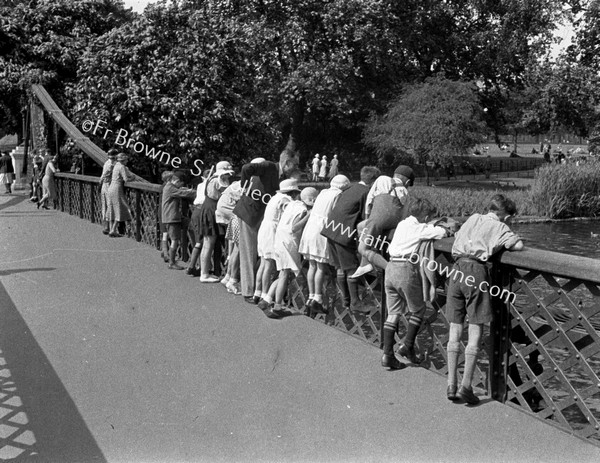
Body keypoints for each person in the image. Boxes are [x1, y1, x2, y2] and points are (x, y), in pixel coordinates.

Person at [446, 194, 523, 404]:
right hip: (476, 272)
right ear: (504, 216)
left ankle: (451, 384)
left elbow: (457, 236)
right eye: (509, 218)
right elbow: (517, 247)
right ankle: (466, 386)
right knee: (476, 327)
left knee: (455, 327)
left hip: (456, 269)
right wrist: (512, 237)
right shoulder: (501, 227)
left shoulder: (472, 218)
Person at [381, 199, 449, 370]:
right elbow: (441, 233)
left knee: (393, 312)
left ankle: (387, 354)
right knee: (419, 309)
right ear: (425, 216)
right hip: (405, 268)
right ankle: (407, 346)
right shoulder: (420, 228)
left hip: (390, 268)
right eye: (429, 217)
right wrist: (437, 224)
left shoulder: (402, 224)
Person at [233, 156, 300, 303]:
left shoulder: (280, 175)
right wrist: (244, 186)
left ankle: (257, 290)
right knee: (249, 254)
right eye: (295, 165)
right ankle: (248, 292)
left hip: (260, 217)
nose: (296, 167)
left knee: (259, 254)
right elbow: (246, 168)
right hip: (249, 213)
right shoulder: (269, 166)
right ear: (287, 163)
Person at [321, 166, 380, 311]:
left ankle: (346, 300)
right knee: (352, 268)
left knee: (341, 268)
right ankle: (355, 302)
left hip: (330, 230)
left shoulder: (350, 189)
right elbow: (367, 216)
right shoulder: (367, 193)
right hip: (343, 233)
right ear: (374, 180)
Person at [351, 165, 414, 280]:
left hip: (378, 219)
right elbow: (404, 214)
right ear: (408, 181)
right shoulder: (405, 192)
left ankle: (390, 269)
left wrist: (367, 217)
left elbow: (369, 200)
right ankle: (364, 263)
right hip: (394, 224)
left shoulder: (382, 179)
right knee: (362, 227)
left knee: (362, 248)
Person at [299, 174, 350, 315]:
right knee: (321, 266)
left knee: (312, 265)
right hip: (322, 228)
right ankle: (318, 298)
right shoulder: (339, 195)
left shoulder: (323, 192)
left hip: (311, 227)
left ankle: (310, 296)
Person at [267, 186, 318, 319]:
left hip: (279, 239)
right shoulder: (302, 209)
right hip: (288, 242)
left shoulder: (292, 204)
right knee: (284, 274)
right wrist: (309, 216)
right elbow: (294, 227)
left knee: (282, 273)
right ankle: (277, 306)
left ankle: (266, 299)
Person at [255, 179, 299, 311]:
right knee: (268, 264)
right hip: (272, 229)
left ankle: (258, 292)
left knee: (263, 261)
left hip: (264, 227)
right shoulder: (286, 200)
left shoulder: (275, 197)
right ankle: (264, 294)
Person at [198, 161, 234, 282]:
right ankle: (204, 274)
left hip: (209, 208)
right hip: (211, 209)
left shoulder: (212, 178)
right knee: (209, 242)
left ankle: (205, 271)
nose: (229, 176)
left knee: (208, 243)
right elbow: (225, 193)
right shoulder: (217, 180)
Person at [161, 171, 196, 270]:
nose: (182, 185)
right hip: (171, 218)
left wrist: (184, 188)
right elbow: (183, 193)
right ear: (177, 181)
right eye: (181, 183)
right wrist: (195, 191)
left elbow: (180, 189)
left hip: (176, 216)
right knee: (174, 240)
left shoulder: (169, 186)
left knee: (191, 224)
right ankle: (172, 262)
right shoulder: (170, 188)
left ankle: (195, 249)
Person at [216, 180, 243, 293]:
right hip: (237, 216)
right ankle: (232, 281)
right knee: (238, 249)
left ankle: (228, 276)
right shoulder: (246, 186)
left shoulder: (238, 184)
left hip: (231, 216)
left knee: (235, 249)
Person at [187, 168, 213, 274]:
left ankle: (197, 266)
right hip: (202, 212)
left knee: (200, 240)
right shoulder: (209, 185)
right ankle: (194, 266)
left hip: (196, 211)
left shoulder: (200, 185)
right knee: (201, 240)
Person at [106, 153, 135, 237]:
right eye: (126, 160)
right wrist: (132, 178)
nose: (127, 161)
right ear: (123, 160)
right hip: (117, 189)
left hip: (111, 187)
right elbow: (126, 179)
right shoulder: (122, 167)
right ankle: (113, 230)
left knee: (112, 208)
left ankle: (112, 229)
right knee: (120, 208)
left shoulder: (116, 165)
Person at [100, 149, 118, 235]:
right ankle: (110, 228)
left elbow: (102, 176)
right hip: (109, 185)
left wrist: (100, 181)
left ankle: (105, 226)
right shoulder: (113, 164)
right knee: (110, 205)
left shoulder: (106, 162)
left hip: (104, 185)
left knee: (105, 206)